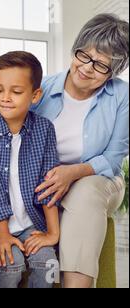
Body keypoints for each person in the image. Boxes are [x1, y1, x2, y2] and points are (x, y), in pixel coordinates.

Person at [31, 14, 129, 288]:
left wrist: (73, 172)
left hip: (100, 180)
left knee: (84, 192)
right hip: (47, 181)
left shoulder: (122, 96)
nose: (87, 68)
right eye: (83, 55)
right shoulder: (44, 87)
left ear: (114, 71)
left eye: (100, 65)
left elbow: (113, 159)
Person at [0, 51, 60, 288]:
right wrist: (2, 233)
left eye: (16, 92)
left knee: (49, 265)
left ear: (35, 95)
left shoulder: (44, 129)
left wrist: (52, 233)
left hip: (32, 224)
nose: (5, 98)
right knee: (11, 264)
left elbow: (49, 183)